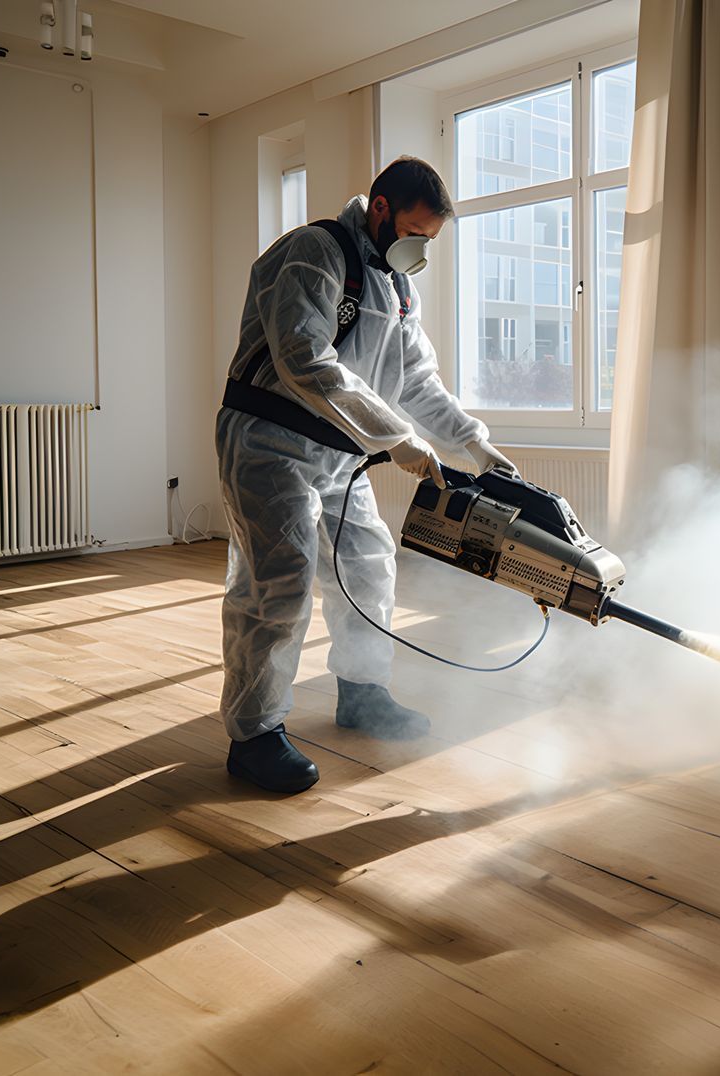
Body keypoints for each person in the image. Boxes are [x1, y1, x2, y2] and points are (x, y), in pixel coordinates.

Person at [215, 156, 516, 794]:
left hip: (339, 455)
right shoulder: (313, 252)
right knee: (281, 582)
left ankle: (362, 692)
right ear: (379, 208)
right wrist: (398, 439)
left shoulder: (395, 285)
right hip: (271, 445)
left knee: (368, 566)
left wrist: (474, 443)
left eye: (430, 240)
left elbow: (415, 379)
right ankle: (255, 734)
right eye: (414, 233)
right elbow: (306, 360)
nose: (420, 249)